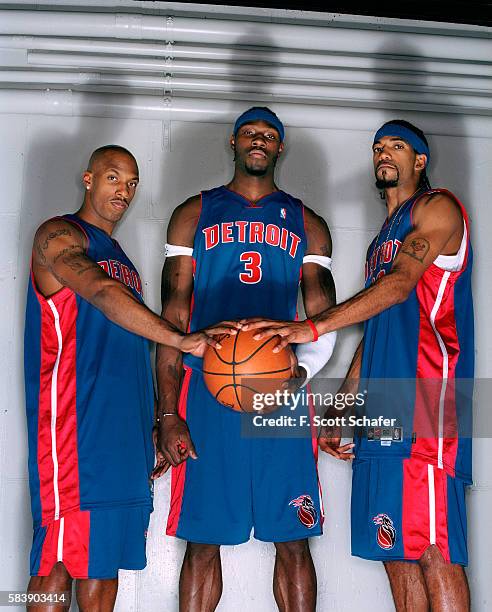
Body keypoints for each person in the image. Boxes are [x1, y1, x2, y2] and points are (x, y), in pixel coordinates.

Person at [245, 120, 474, 611]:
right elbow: (379, 328)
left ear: (420, 160)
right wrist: (344, 406)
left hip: (428, 397)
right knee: (393, 547)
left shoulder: (438, 208)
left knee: (435, 548)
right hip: (384, 403)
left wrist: (314, 326)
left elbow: (401, 285)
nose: (384, 154)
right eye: (377, 148)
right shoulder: (381, 242)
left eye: (397, 146)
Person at [24, 145, 238, 612]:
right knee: (56, 560)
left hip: (122, 436)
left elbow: (127, 346)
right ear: (88, 179)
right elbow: (101, 292)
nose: (124, 190)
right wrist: (182, 340)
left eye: (132, 183)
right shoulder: (58, 235)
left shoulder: (122, 259)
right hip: (73, 430)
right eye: (114, 178)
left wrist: (157, 424)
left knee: (104, 563)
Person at [155, 107, 337, 611]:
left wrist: (302, 373)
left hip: (281, 394)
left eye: (270, 136)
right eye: (250, 134)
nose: (259, 141)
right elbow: (171, 319)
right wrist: (168, 413)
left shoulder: (308, 223)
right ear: (233, 143)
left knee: (294, 536)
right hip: (208, 390)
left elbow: (325, 315)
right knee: (202, 538)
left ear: (280, 148)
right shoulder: (194, 213)